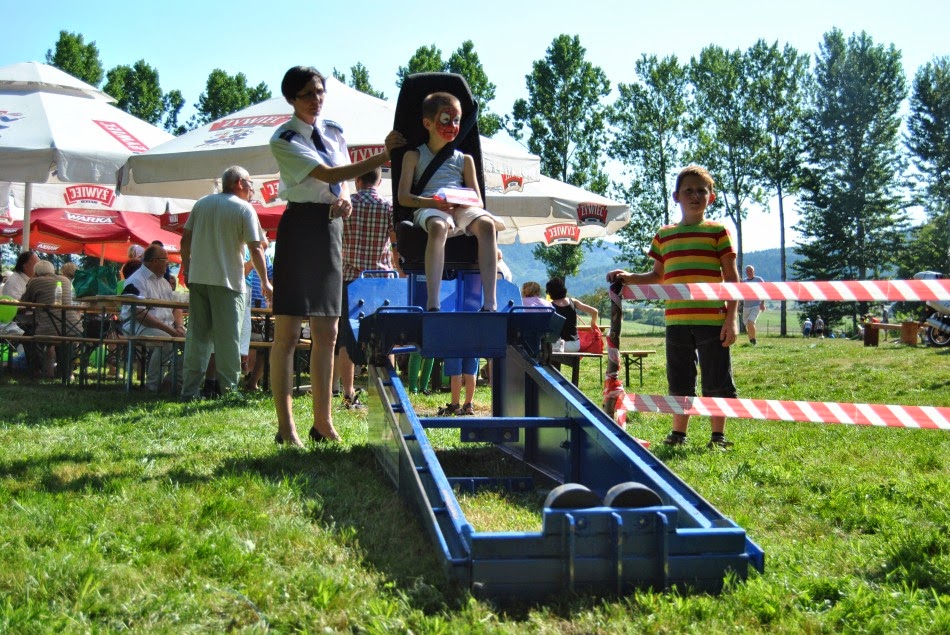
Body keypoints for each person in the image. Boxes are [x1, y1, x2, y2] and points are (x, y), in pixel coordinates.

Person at [268, 65, 404, 447]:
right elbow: (328, 173)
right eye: (307, 94)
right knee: (288, 333)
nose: (316, 100)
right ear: (291, 99)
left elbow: (339, 183)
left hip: (331, 228)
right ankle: (286, 428)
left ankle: (323, 423)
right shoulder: (284, 137)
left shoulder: (334, 130)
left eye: (320, 92)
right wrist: (383, 156)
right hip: (299, 227)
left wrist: (345, 200)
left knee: (328, 332)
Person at [607, 165, 740, 449]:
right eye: (688, 191)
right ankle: (679, 433)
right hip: (677, 321)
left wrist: (732, 318)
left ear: (711, 197)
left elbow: (732, 279)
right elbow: (658, 275)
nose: (695, 196)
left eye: (701, 191)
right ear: (676, 196)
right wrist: (629, 276)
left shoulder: (718, 232)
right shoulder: (664, 235)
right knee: (680, 379)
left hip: (713, 321)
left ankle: (718, 436)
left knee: (716, 379)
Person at [397, 91, 505, 312]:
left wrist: (462, 201)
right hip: (430, 205)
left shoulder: (465, 159)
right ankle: (433, 302)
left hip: (461, 206)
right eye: (446, 120)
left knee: (487, 225)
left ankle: (490, 303)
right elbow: (403, 197)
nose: (452, 126)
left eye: (456, 121)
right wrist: (432, 203)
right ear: (428, 123)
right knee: (438, 226)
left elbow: (478, 200)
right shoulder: (414, 156)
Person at [179, 165, 271, 400]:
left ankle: (189, 391)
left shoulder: (201, 204)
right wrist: (265, 282)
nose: (252, 189)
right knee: (228, 339)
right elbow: (256, 249)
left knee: (197, 338)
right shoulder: (244, 208)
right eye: (250, 184)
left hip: (199, 279)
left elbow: (185, 239)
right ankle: (229, 391)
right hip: (228, 282)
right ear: (239, 183)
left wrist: (187, 268)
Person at [334, 166, 398, 410]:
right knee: (385, 336)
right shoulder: (388, 207)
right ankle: (385, 393)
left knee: (346, 336)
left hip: (350, 278)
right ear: (379, 182)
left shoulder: (346, 205)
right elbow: (395, 243)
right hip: (380, 279)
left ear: (357, 179)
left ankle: (348, 394)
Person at [121, 244, 186, 392]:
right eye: (165, 259)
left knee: (194, 343)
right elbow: (140, 315)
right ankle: (153, 386)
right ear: (154, 261)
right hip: (137, 326)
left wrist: (179, 327)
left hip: (164, 327)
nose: (168, 263)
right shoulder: (136, 280)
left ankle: (171, 381)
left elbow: (176, 308)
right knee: (166, 341)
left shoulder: (164, 283)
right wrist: (170, 331)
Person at [20, 259, 80, 377]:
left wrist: (31, 283)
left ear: (36, 273)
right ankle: (65, 372)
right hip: (73, 328)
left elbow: (24, 303)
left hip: (48, 329)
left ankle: (39, 370)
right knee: (60, 336)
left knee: (29, 335)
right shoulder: (65, 280)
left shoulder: (35, 281)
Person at [545, 277, 599, 352]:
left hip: (557, 345)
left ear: (550, 292)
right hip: (574, 345)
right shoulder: (573, 301)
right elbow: (595, 311)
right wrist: (593, 324)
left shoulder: (549, 306)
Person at [741, 265, 766, 345]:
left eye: (750, 271)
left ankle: (754, 340)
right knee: (748, 324)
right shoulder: (743, 282)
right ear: (746, 272)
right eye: (747, 271)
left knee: (750, 321)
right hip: (746, 306)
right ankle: (751, 340)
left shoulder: (759, 280)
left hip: (756, 305)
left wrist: (762, 303)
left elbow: (764, 292)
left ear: (753, 271)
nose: (749, 272)